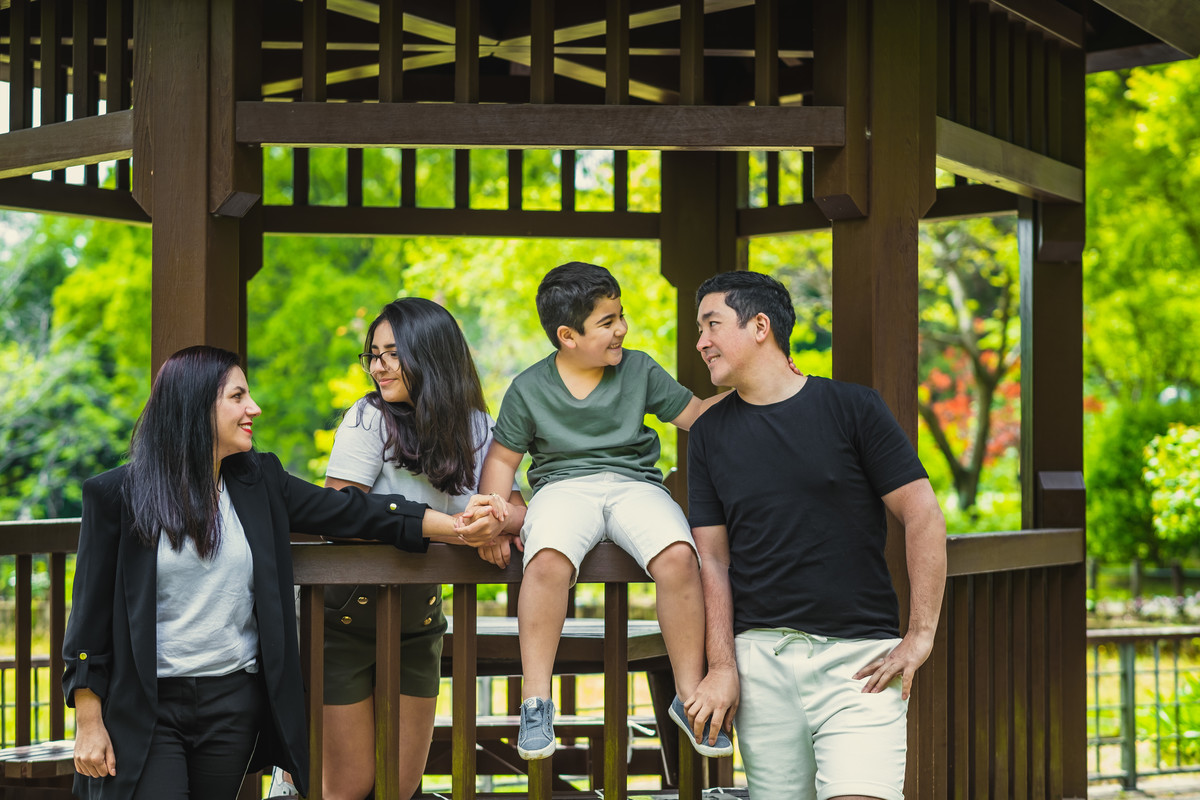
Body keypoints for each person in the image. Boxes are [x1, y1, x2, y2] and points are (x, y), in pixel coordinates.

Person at [63, 345, 496, 800]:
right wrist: (88, 722)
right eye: (237, 397)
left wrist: (457, 528)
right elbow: (88, 622)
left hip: (232, 704)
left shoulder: (259, 481)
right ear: (194, 406)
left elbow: (355, 512)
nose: (254, 408)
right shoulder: (116, 496)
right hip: (148, 708)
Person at [683, 271, 948, 800]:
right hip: (760, 664)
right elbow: (712, 559)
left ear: (760, 326)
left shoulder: (853, 407)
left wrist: (920, 635)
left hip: (861, 665)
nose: (701, 342)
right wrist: (723, 666)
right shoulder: (708, 432)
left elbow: (923, 513)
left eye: (712, 325)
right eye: (699, 329)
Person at [462, 261, 733, 761]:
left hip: (636, 486)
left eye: (621, 316)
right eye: (608, 322)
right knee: (546, 559)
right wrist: (495, 521)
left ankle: (690, 695)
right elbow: (502, 459)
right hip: (562, 489)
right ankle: (536, 702)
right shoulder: (529, 387)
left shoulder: (639, 368)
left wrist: (757, 386)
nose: (622, 329)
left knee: (679, 556)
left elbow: (696, 414)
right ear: (567, 336)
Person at [283, 298, 524, 800]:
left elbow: (516, 507)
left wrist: (496, 525)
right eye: (373, 355)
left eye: (393, 353)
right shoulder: (368, 418)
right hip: (342, 620)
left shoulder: (477, 425)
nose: (379, 366)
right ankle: (289, 782)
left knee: (400, 784)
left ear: (432, 353)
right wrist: (456, 530)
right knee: (348, 786)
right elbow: (339, 514)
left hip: (419, 621)